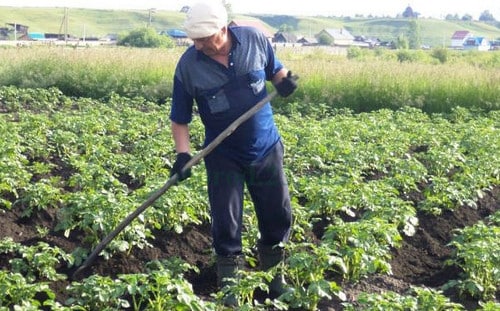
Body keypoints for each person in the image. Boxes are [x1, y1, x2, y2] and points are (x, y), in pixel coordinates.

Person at [169, 0, 298, 305]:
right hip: (223, 155)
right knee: (226, 223)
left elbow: (275, 70)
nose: (198, 45)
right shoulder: (188, 67)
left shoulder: (254, 39)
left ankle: (275, 283)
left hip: (265, 148)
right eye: (194, 40)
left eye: (204, 39)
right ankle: (229, 292)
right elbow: (180, 118)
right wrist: (183, 155)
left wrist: (285, 81)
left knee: (277, 215)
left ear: (223, 29)